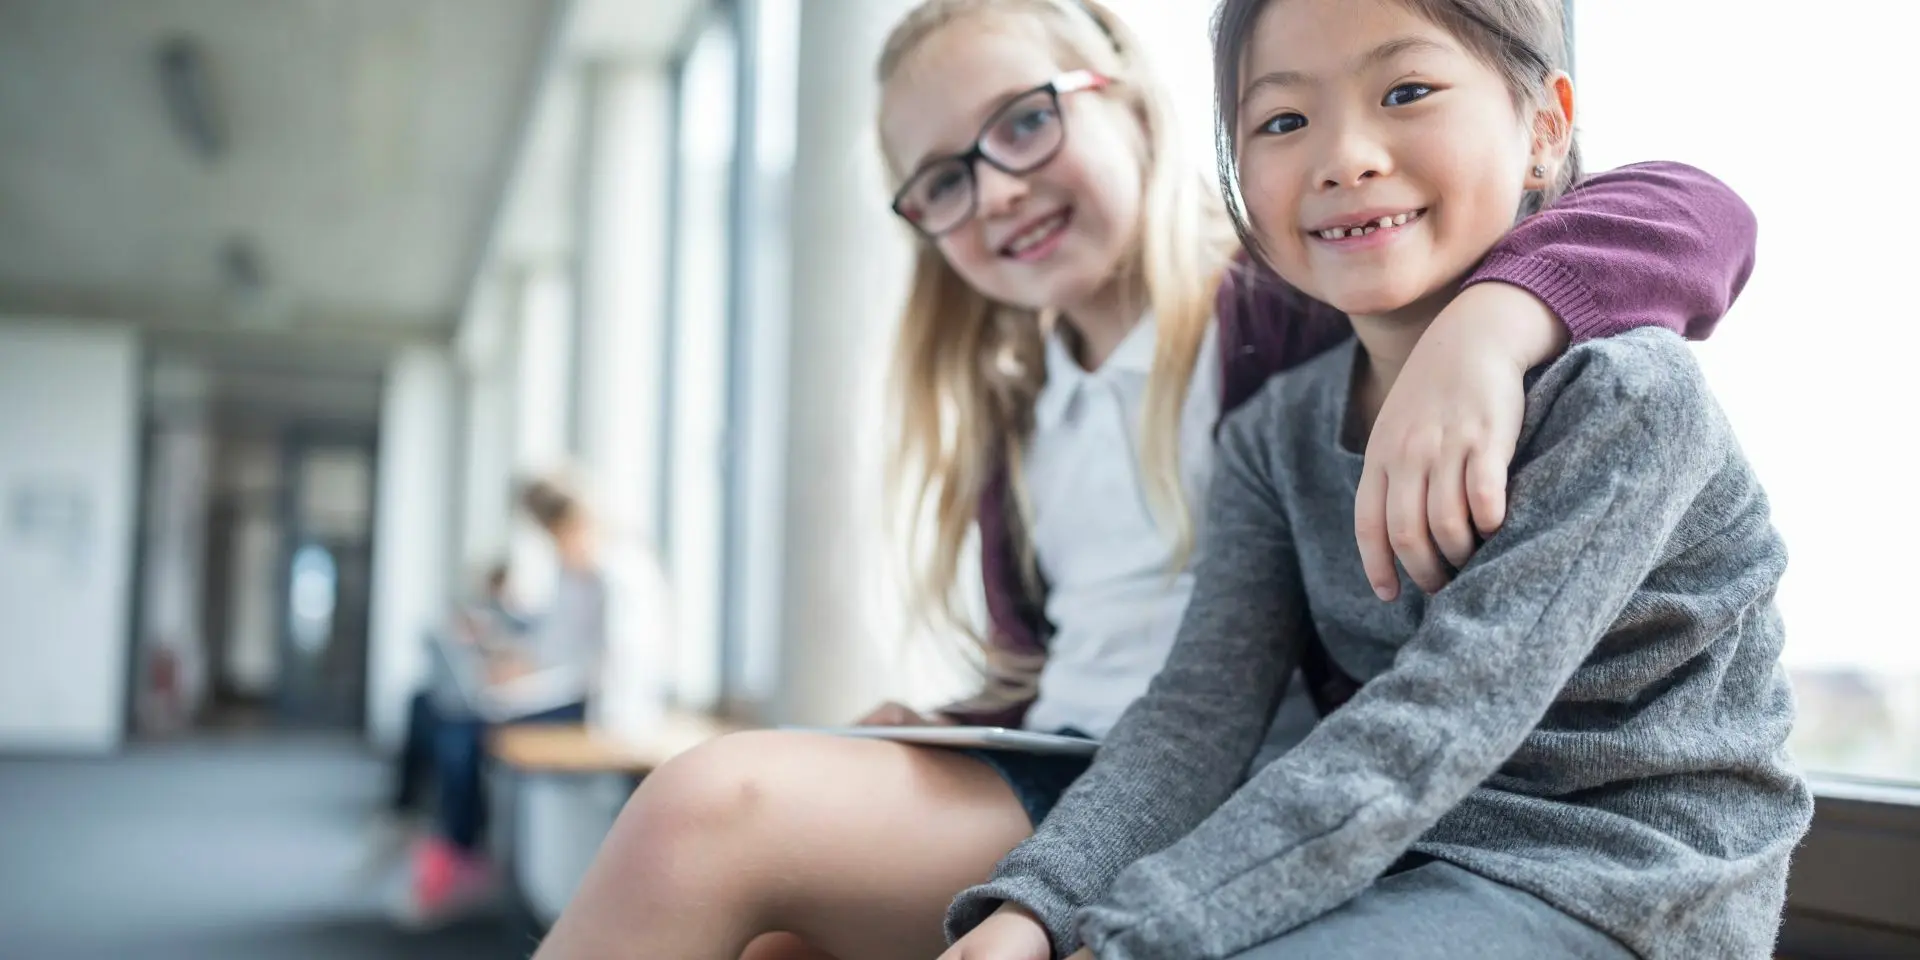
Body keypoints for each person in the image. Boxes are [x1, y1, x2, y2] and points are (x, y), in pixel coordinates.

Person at [533, 1, 1763, 956]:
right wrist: (966, 733)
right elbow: (1142, 671)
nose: (1000, 188)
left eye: (1024, 123)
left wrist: (1499, 317)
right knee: (785, 939)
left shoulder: (1284, 312)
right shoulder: (1061, 419)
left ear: (1131, 101)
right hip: (1132, 769)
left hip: (1331, 812)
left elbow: (1691, 210)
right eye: (946, 180)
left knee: (713, 810)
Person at [940, 0, 1811, 957]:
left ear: (1546, 131)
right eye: (1282, 121)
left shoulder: (1625, 396)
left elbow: (1440, 721)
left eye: (1407, 91)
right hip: (1399, 861)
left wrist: (1130, 937)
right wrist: (1032, 909)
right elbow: (1195, 718)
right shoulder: (1273, 435)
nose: (1344, 154)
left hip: (1623, 893)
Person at [389, 478, 610, 928]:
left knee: (461, 731)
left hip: (589, 703)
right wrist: (514, 662)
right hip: (553, 686)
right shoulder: (569, 574)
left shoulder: (611, 572)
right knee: (434, 710)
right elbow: (556, 645)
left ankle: (457, 848)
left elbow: (595, 664)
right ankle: (438, 834)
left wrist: (526, 670)